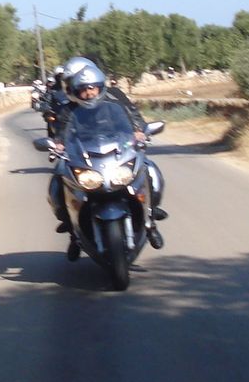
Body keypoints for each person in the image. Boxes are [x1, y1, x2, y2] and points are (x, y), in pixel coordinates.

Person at [47, 57, 167, 247]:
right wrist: (58, 145)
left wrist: (139, 131)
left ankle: (150, 217)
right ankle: (70, 225)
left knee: (149, 168)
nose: (87, 92)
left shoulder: (115, 97)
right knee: (59, 177)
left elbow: (133, 116)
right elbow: (61, 133)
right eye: (79, 86)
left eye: (90, 86)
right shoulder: (68, 110)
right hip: (85, 154)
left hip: (119, 148)